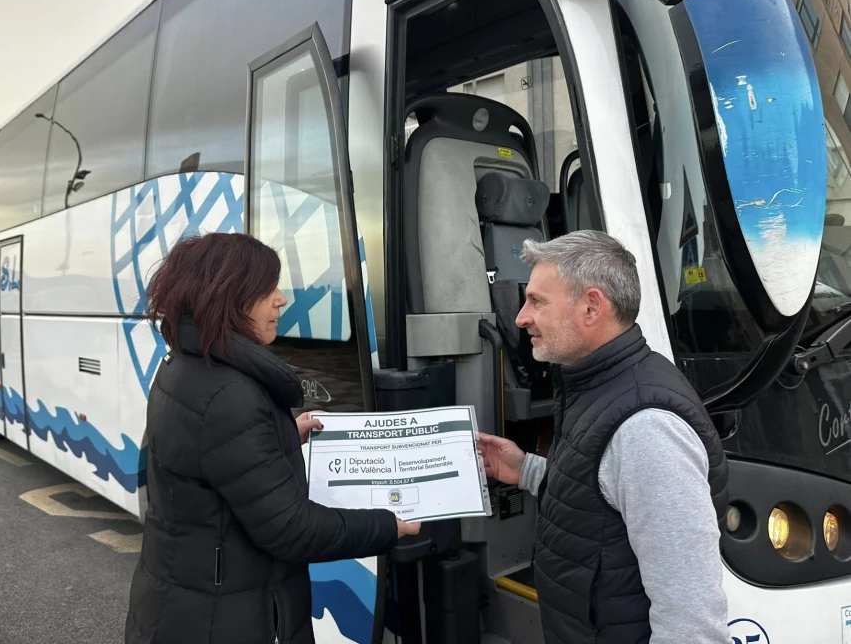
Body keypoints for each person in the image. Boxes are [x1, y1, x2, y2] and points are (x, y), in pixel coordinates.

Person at [124, 232, 420, 644]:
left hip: (184, 606)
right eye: (267, 289)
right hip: (227, 621)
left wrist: (281, 434)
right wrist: (388, 524)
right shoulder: (230, 395)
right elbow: (293, 530)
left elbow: (214, 457)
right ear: (229, 296)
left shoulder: (185, 365)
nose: (281, 299)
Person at [476, 230, 729, 644]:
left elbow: (691, 624)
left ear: (592, 307)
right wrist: (526, 470)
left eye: (537, 301)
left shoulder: (646, 428)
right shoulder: (599, 385)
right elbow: (602, 502)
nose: (521, 317)